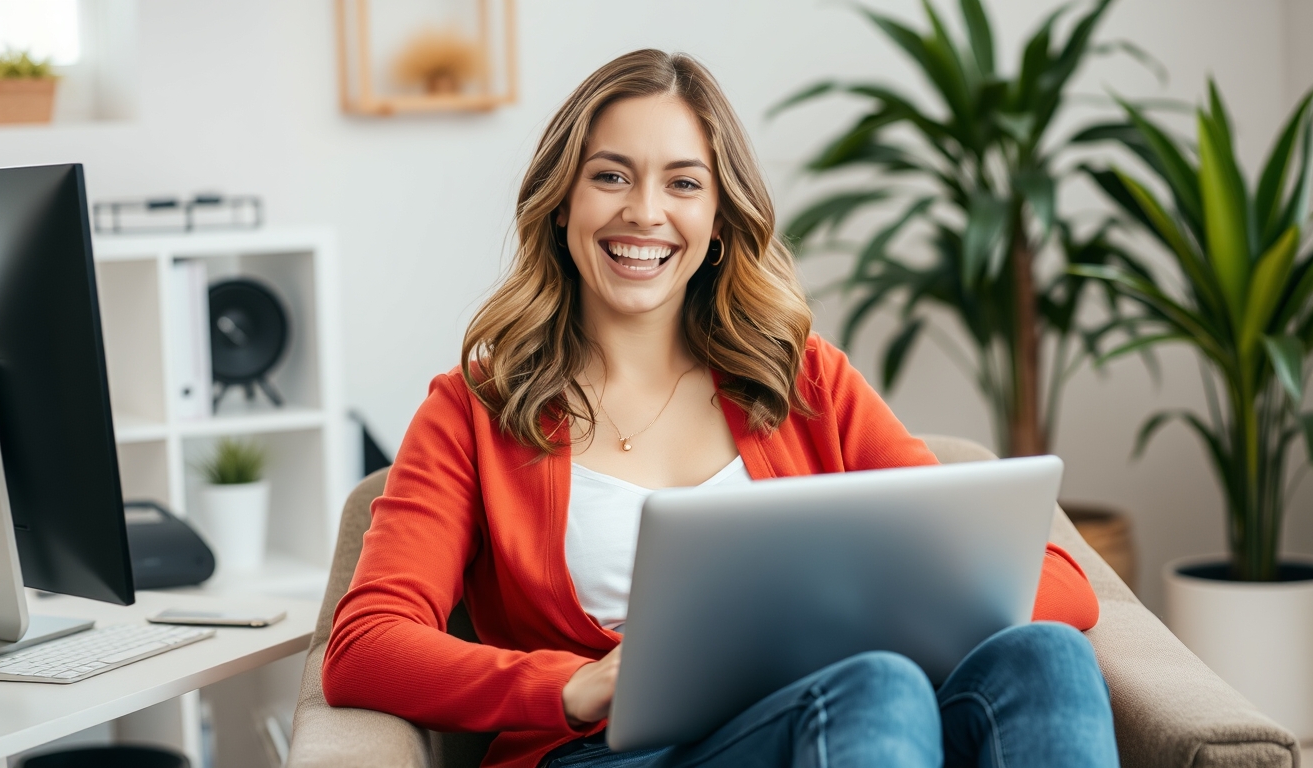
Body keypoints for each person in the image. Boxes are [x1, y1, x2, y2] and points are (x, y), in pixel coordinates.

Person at [323, 49, 1118, 768]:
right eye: (610, 175)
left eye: (683, 182)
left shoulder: (803, 379)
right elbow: (365, 646)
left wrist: (864, 629)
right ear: (561, 203)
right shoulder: (474, 408)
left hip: (830, 719)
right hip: (613, 756)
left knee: (1045, 656)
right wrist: (575, 686)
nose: (644, 211)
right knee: (873, 689)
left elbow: (1059, 586)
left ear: (718, 220)